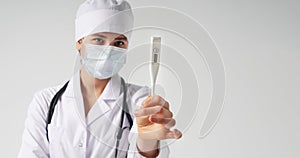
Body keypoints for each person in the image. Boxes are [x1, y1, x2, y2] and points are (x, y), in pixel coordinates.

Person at [18, 0, 182, 157]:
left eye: (118, 43)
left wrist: (147, 143)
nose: (108, 50)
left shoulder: (141, 101)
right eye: (98, 39)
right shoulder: (46, 102)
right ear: (80, 42)